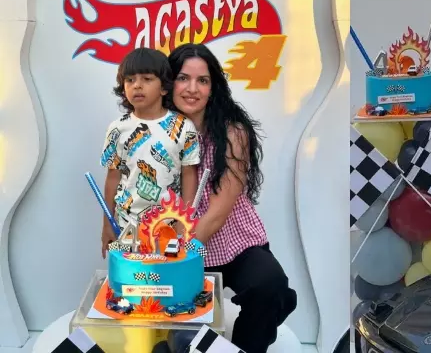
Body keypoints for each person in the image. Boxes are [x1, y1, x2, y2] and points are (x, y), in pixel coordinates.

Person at [168, 43, 297, 352]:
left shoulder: (232, 133)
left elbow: (217, 213)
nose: (192, 89)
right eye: (183, 78)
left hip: (230, 241)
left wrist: (184, 258)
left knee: (270, 286)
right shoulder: (155, 135)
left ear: (213, 88)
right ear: (168, 83)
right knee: (175, 327)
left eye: (202, 80)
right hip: (174, 241)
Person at [99, 48, 201, 256]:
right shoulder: (117, 129)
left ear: (163, 87)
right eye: (130, 80)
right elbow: (112, 178)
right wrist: (107, 224)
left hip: (169, 228)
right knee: (131, 276)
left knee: (167, 275)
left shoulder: (184, 127)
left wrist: (183, 221)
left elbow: (189, 176)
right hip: (126, 227)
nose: (137, 85)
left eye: (146, 79)